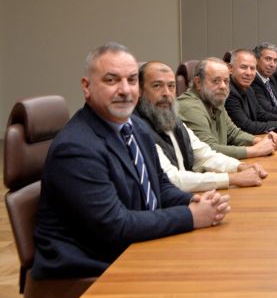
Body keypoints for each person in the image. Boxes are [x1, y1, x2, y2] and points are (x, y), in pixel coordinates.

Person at [31, 43, 230, 279]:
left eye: (132, 80)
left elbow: (159, 185)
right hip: (89, 271)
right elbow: (114, 225)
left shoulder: (135, 127)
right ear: (86, 86)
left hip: (132, 248)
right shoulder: (75, 148)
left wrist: (193, 201)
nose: (125, 90)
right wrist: (190, 216)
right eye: (111, 80)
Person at [136, 61, 267, 192]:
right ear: (139, 90)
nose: (166, 93)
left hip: (186, 196)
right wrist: (231, 178)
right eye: (157, 86)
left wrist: (239, 166)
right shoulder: (137, 129)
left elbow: (204, 155)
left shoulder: (172, 119)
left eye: (171, 86)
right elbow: (171, 179)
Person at [178, 58, 277, 160]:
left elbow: (233, 133)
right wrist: (255, 150)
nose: (223, 86)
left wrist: (259, 141)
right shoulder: (190, 107)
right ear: (198, 82)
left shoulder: (214, 99)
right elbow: (208, 150)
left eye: (226, 81)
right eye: (216, 81)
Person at [225, 49, 277, 135]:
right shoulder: (228, 92)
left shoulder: (249, 88)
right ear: (230, 68)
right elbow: (246, 126)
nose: (249, 73)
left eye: (252, 68)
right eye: (243, 67)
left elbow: (260, 114)